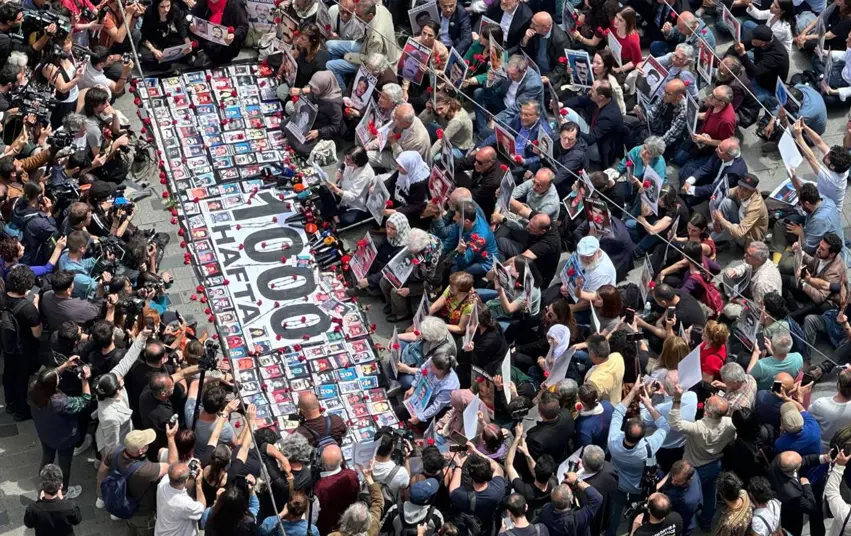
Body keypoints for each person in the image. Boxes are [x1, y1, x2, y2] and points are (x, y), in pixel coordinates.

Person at [669, 386, 737, 531]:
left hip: (696, 467)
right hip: (715, 464)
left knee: (690, 499)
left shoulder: (698, 427)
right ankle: (706, 523)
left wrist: (677, 399)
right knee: (710, 494)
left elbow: (675, 423)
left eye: (706, 403)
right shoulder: (730, 425)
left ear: (707, 412)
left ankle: (686, 525)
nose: (705, 402)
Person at [607, 381, 669, 536]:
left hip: (618, 483)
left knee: (615, 513)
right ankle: (632, 531)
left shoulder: (613, 442)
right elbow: (664, 426)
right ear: (643, 437)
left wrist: (633, 391)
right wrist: (648, 404)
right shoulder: (649, 446)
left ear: (624, 431)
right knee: (637, 512)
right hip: (639, 487)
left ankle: (610, 532)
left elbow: (617, 412)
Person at [28, 358, 94, 500]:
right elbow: (85, 400)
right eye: (57, 378)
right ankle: (63, 490)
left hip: (44, 432)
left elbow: (47, 379)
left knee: (47, 457)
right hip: (64, 438)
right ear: (53, 386)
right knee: (64, 465)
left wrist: (65, 365)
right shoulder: (60, 402)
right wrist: (85, 380)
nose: (59, 378)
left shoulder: (34, 388)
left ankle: (44, 481)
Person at [563, 80, 624, 167]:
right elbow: (581, 100)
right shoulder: (598, 100)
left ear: (601, 97)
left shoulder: (608, 117)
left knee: (570, 129)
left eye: (592, 91)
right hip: (592, 131)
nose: (589, 92)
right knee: (566, 111)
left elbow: (590, 139)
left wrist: (572, 130)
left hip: (599, 149)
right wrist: (562, 104)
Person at [449, 447, 507, 536]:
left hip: (469, 528)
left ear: (471, 476)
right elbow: (497, 467)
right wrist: (475, 451)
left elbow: (452, 490)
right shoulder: (498, 489)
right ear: (488, 473)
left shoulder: (462, 495)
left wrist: (458, 465)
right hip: (487, 527)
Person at [286, 72, 345, 156]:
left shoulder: (333, 104)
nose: (312, 90)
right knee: (285, 125)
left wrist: (318, 132)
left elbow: (336, 126)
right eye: (312, 87)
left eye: (315, 89)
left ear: (324, 87)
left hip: (322, 128)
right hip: (310, 119)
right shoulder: (317, 90)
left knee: (300, 147)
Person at [24, 464, 83, 536]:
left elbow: (29, 524)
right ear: (60, 486)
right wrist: (62, 500)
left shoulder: (33, 509)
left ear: (42, 485)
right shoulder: (70, 506)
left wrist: (39, 501)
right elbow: (77, 520)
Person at [313, 444, 360, 534]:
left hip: (330, 530)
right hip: (352, 523)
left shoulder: (319, 488)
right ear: (342, 460)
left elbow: (313, 517)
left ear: (321, 463)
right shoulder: (352, 474)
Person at [536, 478, 603, 536]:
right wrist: (576, 480)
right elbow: (597, 498)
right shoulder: (578, 519)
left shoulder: (545, 510)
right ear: (571, 500)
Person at [155, 462, 207, 536]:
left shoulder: (162, 484)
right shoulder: (185, 504)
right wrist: (198, 483)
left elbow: (180, 481)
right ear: (186, 481)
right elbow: (202, 507)